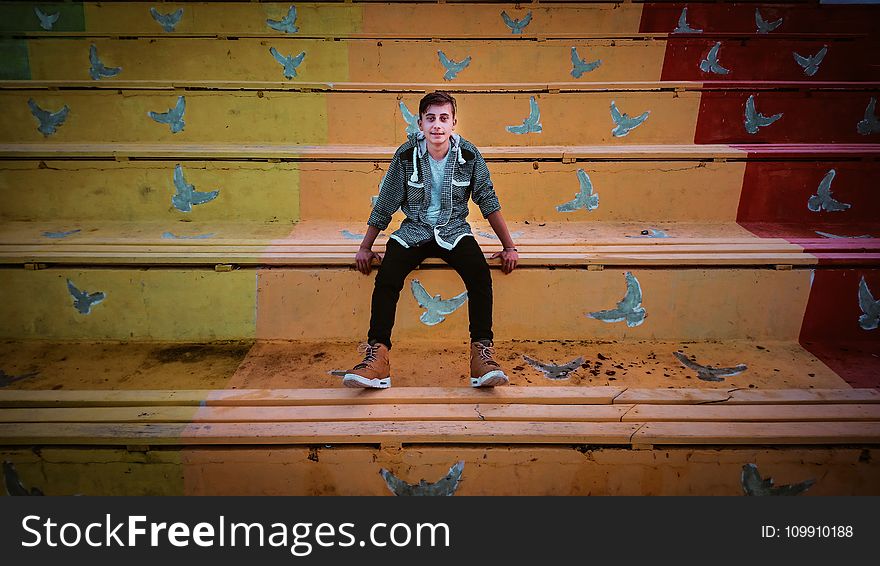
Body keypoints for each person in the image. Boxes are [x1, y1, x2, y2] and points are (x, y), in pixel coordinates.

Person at [342, 91, 519, 389]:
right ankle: (378, 358)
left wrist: (509, 246)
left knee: (478, 274)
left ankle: (482, 356)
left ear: (454, 123)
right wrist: (365, 246)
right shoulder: (405, 156)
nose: (437, 125)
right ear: (420, 123)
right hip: (415, 230)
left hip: (453, 230)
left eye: (444, 118)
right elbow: (386, 202)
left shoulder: (470, 156)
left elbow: (487, 199)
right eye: (431, 118)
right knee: (387, 277)